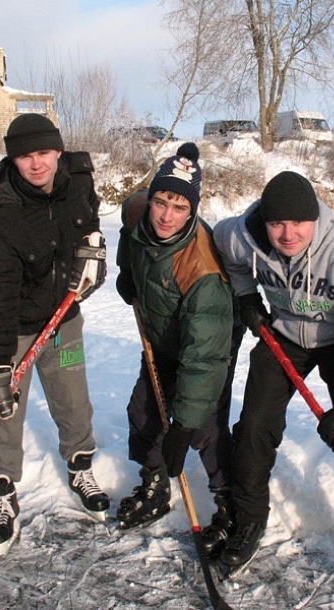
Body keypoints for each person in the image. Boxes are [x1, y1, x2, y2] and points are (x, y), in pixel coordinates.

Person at [213, 171, 334, 597]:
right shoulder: (242, 235)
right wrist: (246, 298)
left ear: (315, 218)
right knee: (255, 427)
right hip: (285, 337)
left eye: (299, 223)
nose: (288, 234)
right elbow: (226, 249)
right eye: (278, 224)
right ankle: (249, 519)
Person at [0, 113, 109, 555]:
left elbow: (90, 225)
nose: (37, 164)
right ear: (12, 159)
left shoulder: (77, 184)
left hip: (65, 323)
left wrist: (94, 260)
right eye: (26, 156)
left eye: (44, 153)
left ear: (57, 151)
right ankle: (0, 489)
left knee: (72, 395)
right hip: (15, 331)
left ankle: (80, 463)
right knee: (5, 409)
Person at [114, 142, 244, 559]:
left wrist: (183, 424)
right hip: (161, 330)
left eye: (179, 208)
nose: (167, 216)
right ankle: (154, 486)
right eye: (161, 202)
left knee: (203, 424)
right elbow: (129, 225)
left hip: (206, 341)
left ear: (193, 211)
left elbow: (202, 360)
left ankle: (229, 505)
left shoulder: (202, 271)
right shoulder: (139, 212)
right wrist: (125, 271)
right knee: (144, 408)